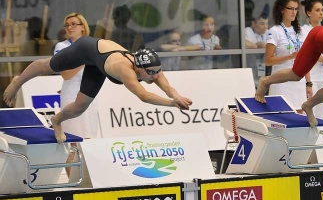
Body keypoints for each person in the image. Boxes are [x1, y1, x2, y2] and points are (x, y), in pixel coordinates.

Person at [3, 38, 192, 143]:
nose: (154, 76)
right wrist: (172, 104)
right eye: (150, 73)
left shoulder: (150, 67)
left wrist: (177, 96)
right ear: (137, 67)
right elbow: (143, 96)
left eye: (156, 72)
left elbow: (165, 85)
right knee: (48, 66)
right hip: (87, 49)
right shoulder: (125, 70)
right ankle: (18, 82)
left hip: (99, 65)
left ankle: (56, 120)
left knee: (80, 107)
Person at [53, 12, 100, 139]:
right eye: (67, 25)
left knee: (90, 137)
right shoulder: (62, 46)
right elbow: (66, 74)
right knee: (72, 139)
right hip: (71, 95)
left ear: (83, 27)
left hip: (89, 94)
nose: (70, 27)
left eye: (74, 24)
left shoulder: (93, 45)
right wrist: (85, 59)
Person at [265, 0, 311, 112]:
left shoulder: (301, 31)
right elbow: (268, 60)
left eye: (296, 9)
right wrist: (290, 56)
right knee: (281, 118)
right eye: (290, 8)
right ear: (281, 10)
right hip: (281, 81)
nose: (293, 12)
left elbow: (306, 59)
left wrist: (308, 83)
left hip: (298, 80)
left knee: (300, 117)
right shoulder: (274, 31)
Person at [300, 0, 323, 120]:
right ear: (308, 13)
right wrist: (308, 82)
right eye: (317, 10)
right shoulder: (303, 31)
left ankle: (321, 139)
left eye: (322, 10)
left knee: (321, 114)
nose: (321, 13)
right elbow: (304, 54)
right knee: (308, 113)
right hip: (311, 77)